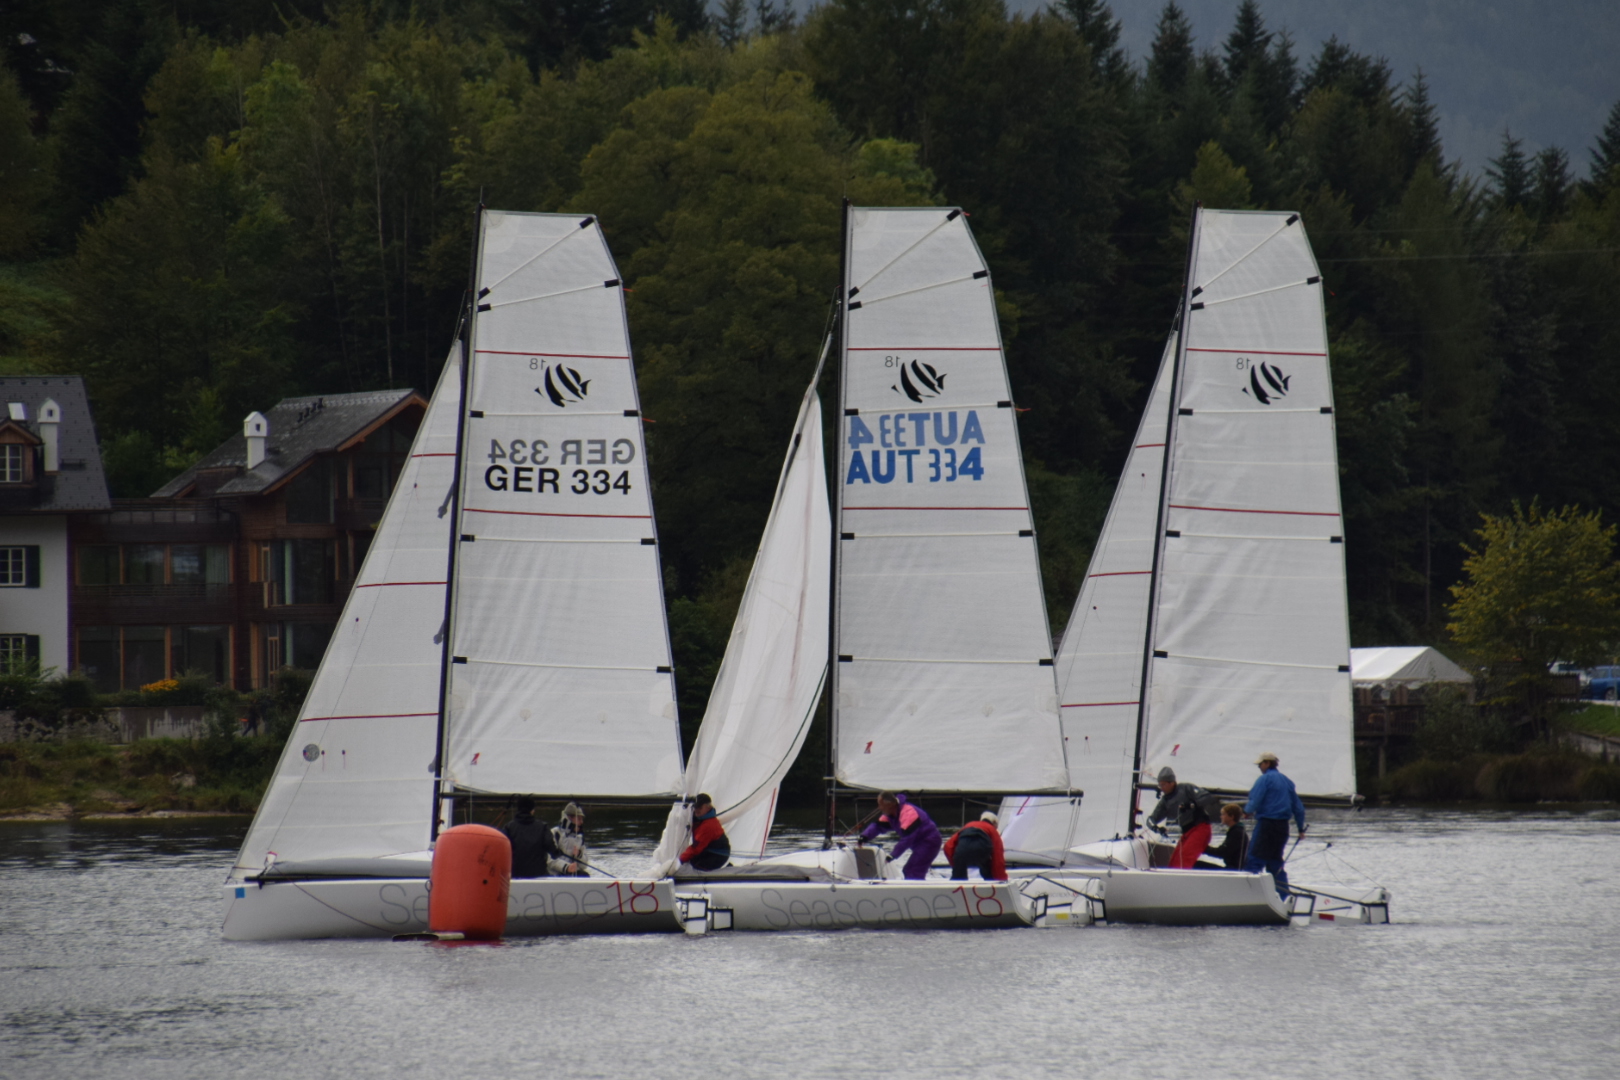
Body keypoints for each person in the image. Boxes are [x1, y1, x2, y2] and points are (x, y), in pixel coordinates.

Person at [1243, 751, 1307, 900]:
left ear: (1267, 763)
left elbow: (1255, 800)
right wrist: (1300, 829)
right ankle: (1284, 898)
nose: (1259, 767)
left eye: (1260, 764)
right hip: (1282, 828)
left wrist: (1246, 812)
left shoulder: (1264, 779)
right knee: (1275, 862)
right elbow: (1299, 808)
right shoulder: (1287, 781)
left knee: (1254, 859)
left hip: (1267, 825)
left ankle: (1247, 896)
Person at [1145, 766, 1221, 869]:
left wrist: (1191, 804)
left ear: (1171, 782)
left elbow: (1207, 797)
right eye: (1160, 785)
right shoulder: (1165, 801)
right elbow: (1151, 819)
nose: (1161, 788)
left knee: (1184, 861)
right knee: (1174, 863)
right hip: (1187, 832)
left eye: (1163, 785)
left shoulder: (1186, 788)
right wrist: (1155, 828)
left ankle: (1214, 872)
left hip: (1200, 828)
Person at [860, 792, 943, 880]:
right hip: (918, 844)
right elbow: (878, 826)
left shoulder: (908, 812)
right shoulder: (891, 815)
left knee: (912, 870)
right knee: (908, 870)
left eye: (881, 805)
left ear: (890, 805)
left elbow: (908, 838)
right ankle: (913, 889)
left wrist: (893, 854)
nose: (879, 808)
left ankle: (915, 891)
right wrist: (864, 837)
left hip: (929, 842)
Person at [503, 796, 573, 878]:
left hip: (515, 875)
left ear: (518, 809)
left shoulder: (508, 827)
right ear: (532, 810)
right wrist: (558, 853)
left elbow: (502, 850)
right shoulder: (542, 827)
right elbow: (551, 849)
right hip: (538, 875)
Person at [943, 811, 1007, 881]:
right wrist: (1002, 878)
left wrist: (955, 864)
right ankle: (990, 883)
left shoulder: (968, 825)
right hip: (981, 852)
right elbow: (998, 856)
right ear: (994, 822)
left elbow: (948, 846)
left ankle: (956, 887)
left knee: (958, 876)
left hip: (961, 852)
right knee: (988, 867)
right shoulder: (992, 830)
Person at [678, 793, 731, 872]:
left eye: (699, 807)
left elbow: (696, 848)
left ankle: (726, 870)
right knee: (692, 861)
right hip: (709, 850)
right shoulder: (700, 819)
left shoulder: (708, 825)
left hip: (719, 855)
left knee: (697, 867)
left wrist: (679, 860)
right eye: (695, 807)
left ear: (708, 807)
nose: (696, 809)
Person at [1201, 803, 1249, 869]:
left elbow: (1222, 852)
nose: (1221, 817)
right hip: (1233, 868)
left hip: (1234, 870)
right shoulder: (1236, 831)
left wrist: (1203, 848)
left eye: (1223, 814)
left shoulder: (1237, 833)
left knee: (1197, 864)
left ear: (1231, 816)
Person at [550, 801, 588, 877]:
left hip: (572, 875)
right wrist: (567, 867)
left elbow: (584, 866)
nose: (581, 822)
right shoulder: (555, 833)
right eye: (579, 819)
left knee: (585, 875)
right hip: (555, 876)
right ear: (569, 818)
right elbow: (550, 861)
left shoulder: (580, 839)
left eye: (582, 819)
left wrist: (579, 855)